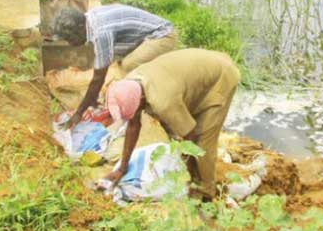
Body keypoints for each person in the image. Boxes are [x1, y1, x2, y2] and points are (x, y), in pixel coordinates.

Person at [102, 49, 240, 201]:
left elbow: (191, 136)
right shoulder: (129, 85)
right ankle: (197, 177)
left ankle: (207, 193)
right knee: (182, 127)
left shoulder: (164, 103)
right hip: (195, 72)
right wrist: (122, 168)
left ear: (140, 100)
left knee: (203, 142)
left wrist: (186, 169)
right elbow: (133, 125)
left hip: (221, 76)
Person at [53, 4, 178, 128]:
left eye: (70, 38)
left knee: (129, 66)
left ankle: (142, 108)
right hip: (145, 36)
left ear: (80, 28)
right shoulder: (90, 19)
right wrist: (91, 99)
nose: (70, 43)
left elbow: (98, 78)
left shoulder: (100, 32)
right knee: (121, 66)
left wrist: (78, 113)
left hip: (162, 36)